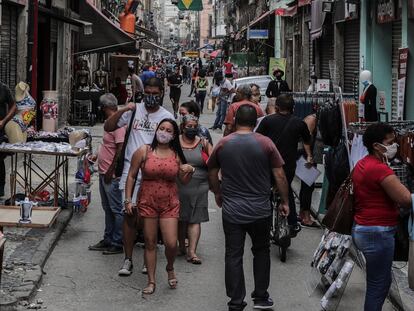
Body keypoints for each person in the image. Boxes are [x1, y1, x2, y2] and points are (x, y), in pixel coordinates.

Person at [208, 104, 290, 311]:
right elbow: (279, 175)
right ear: (255, 123)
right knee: (261, 251)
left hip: (232, 210)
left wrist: (217, 192)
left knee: (233, 254)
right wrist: (285, 201)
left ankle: (236, 301)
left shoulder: (224, 143)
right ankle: (261, 297)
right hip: (260, 209)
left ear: (235, 120)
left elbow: (212, 170)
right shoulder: (266, 143)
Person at [104, 77, 173, 276]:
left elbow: (171, 145)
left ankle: (147, 257)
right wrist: (125, 109)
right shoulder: (134, 110)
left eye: (155, 94)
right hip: (129, 170)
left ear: (161, 93)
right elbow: (109, 127)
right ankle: (128, 259)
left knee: (148, 216)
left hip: (154, 172)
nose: (151, 97)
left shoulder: (167, 116)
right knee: (129, 214)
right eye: (148, 93)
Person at [125, 119, 195, 294]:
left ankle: (170, 267)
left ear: (173, 135)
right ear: (156, 130)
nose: (164, 132)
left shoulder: (176, 155)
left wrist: (190, 171)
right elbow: (132, 175)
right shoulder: (144, 151)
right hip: (147, 201)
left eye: (168, 130)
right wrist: (128, 199)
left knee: (171, 243)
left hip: (170, 202)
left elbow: (184, 182)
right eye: (161, 128)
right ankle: (151, 281)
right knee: (150, 242)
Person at [352, 123, 412, 310]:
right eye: (391, 142)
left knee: (377, 281)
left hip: (364, 228)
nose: (395, 145)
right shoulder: (380, 169)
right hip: (377, 232)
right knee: (378, 285)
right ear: (377, 146)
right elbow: (404, 199)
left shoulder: (362, 163)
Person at [256, 94, 312, 237]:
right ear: (293, 107)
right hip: (287, 165)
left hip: (267, 164)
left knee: (266, 193)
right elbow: (306, 141)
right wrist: (310, 156)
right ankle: (292, 223)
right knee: (287, 192)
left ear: (277, 107)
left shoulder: (267, 121)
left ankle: (264, 223)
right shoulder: (299, 123)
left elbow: (257, 140)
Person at [89, 94, 125, 255]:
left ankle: (117, 242)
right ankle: (108, 238)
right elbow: (107, 144)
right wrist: (97, 155)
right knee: (108, 208)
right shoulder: (110, 123)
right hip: (104, 171)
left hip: (111, 174)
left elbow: (120, 147)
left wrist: (112, 169)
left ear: (104, 108)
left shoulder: (118, 124)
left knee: (116, 209)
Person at [178, 114, 213, 264]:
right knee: (181, 219)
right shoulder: (175, 142)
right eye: (189, 126)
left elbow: (214, 163)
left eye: (195, 127)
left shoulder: (204, 143)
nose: (192, 129)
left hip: (200, 185)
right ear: (182, 127)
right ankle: (181, 246)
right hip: (179, 185)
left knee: (195, 219)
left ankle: (192, 252)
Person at [298, 112, 320, 227]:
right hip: (306, 155)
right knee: (308, 186)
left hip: (306, 154)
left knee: (306, 185)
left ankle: (302, 214)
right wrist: (309, 156)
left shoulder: (312, 118)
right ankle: (306, 217)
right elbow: (306, 140)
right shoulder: (311, 119)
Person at [0, 81, 16, 197]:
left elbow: (14, 106)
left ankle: (0, 189)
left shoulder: (3, 88)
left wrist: (4, 120)